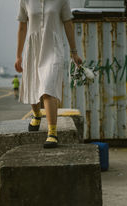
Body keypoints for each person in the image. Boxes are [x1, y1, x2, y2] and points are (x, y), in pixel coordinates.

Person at [15, 0, 82, 148]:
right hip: (33, 48)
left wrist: (74, 52)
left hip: (53, 48)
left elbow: (68, 23)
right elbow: (22, 26)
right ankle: (37, 114)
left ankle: (52, 133)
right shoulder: (25, 1)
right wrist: (18, 56)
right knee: (34, 83)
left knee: (48, 86)